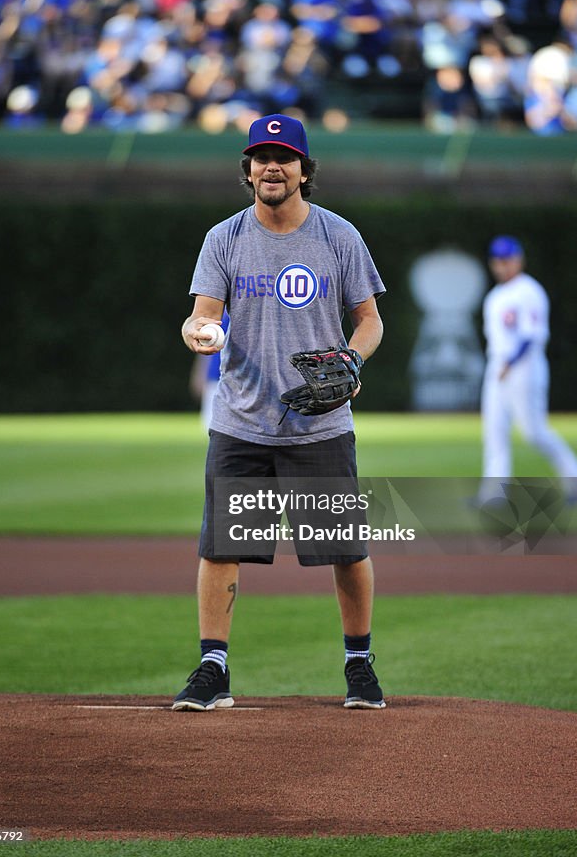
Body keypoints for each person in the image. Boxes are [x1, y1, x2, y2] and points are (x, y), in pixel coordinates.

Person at [173, 113, 386, 711]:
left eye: (284, 157)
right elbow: (204, 313)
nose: (272, 166)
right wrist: (199, 329)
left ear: (303, 169)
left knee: (344, 549)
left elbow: (369, 321)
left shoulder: (338, 236)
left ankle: (360, 664)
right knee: (221, 545)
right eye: (261, 157)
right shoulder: (226, 237)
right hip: (241, 418)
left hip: (319, 424)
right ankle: (213, 669)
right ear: (248, 170)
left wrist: (351, 361)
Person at [477, 235, 577, 505]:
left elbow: (533, 335)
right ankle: (494, 493)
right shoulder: (495, 296)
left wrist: (510, 363)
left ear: (518, 260)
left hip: (524, 366)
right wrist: (501, 365)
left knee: (533, 431)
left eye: (507, 260)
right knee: (494, 430)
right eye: (498, 261)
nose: (502, 266)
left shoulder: (529, 291)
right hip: (498, 366)